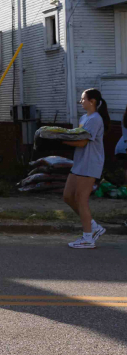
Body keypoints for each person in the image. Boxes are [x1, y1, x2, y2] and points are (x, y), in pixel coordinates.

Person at [63, 89, 110, 249]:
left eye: (83, 99)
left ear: (92, 101)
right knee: (68, 196)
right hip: (80, 162)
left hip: (90, 163)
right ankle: (94, 227)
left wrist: (60, 140)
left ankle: (88, 238)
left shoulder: (95, 119)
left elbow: (82, 142)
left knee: (81, 200)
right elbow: (78, 136)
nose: (80, 101)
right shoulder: (84, 118)